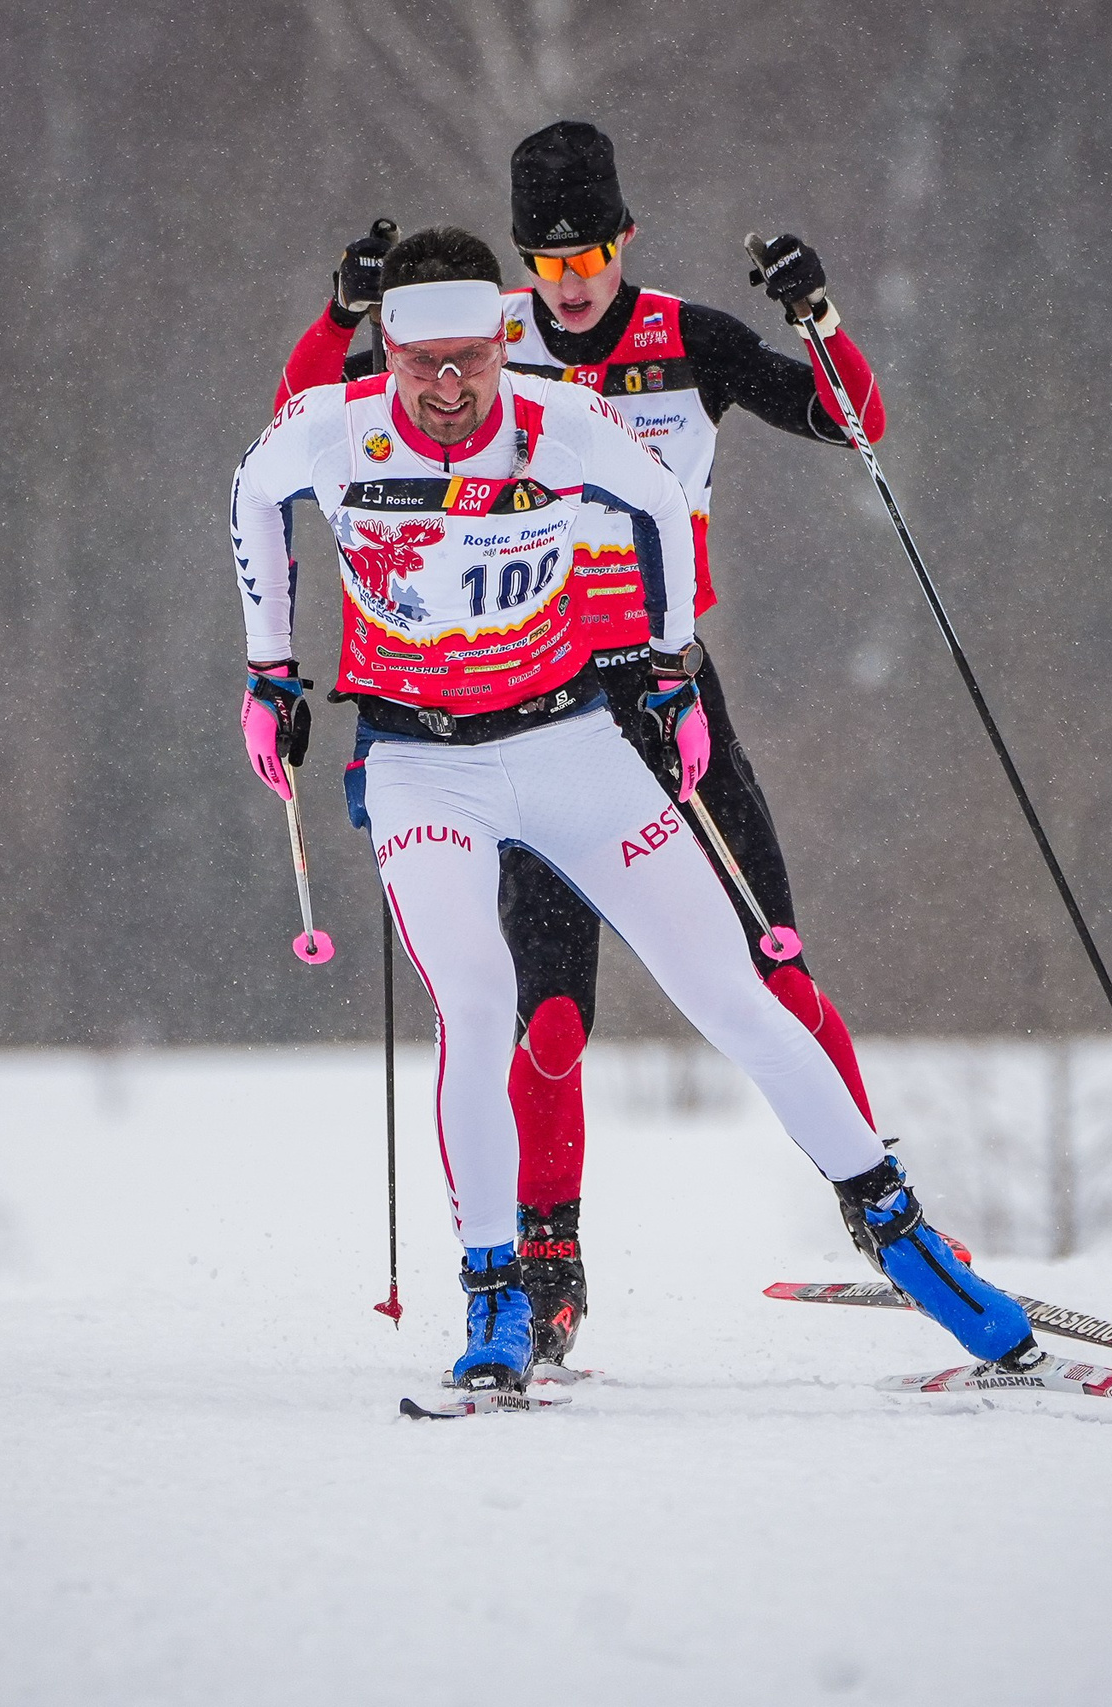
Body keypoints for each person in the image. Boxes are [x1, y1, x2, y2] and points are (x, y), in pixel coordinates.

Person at [232, 227, 1035, 1394]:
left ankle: (900, 1234)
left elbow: (660, 504)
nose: (453, 391)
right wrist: (269, 675)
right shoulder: (331, 428)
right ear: (389, 355)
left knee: (740, 997)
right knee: (482, 999)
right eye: (425, 368)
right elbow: (250, 495)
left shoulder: (553, 422)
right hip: (422, 763)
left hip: (571, 742)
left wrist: (668, 666)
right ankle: (497, 1292)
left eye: (474, 362)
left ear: (500, 347)